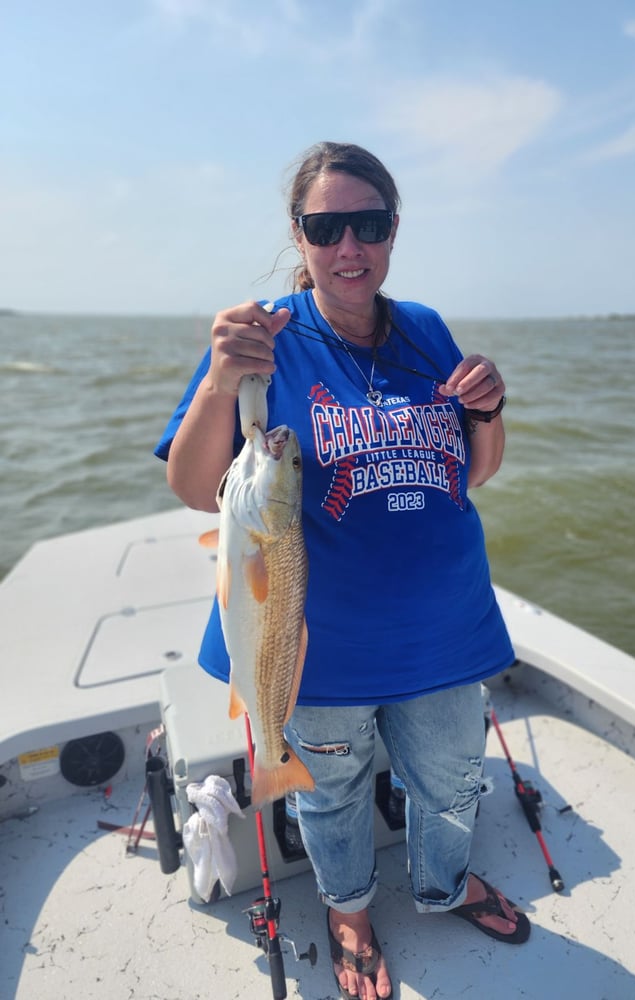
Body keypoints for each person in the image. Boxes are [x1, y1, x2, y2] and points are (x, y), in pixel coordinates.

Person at [155, 141, 530, 1000]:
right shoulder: (268, 338)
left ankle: (445, 885)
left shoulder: (427, 329)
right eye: (328, 227)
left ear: (394, 230)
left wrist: (492, 410)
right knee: (328, 796)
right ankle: (351, 909)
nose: (349, 246)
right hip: (319, 645)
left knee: (453, 782)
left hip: (445, 630)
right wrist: (219, 381)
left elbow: (474, 470)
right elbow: (190, 488)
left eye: (369, 224)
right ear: (300, 232)